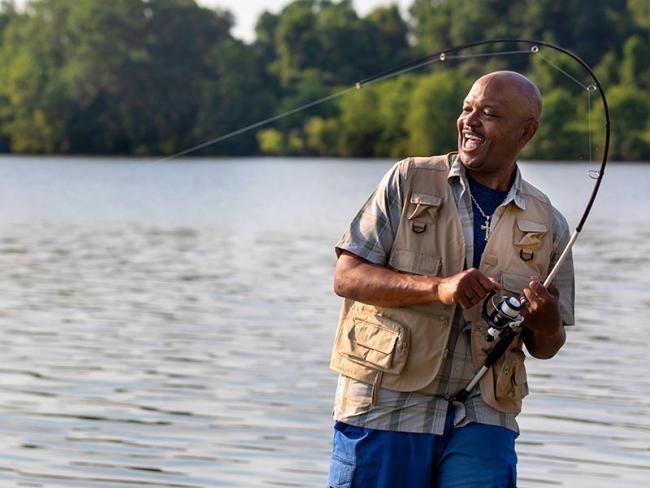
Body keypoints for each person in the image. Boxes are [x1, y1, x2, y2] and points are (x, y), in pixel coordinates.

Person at [327, 71, 574, 488]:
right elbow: (347, 277)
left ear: (525, 131)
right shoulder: (407, 179)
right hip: (387, 406)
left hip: (485, 417)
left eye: (489, 113)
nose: (470, 121)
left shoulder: (549, 222)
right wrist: (438, 288)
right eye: (466, 109)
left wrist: (545, 321)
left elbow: (546, 346)